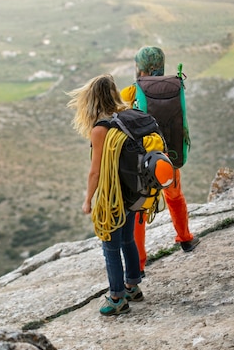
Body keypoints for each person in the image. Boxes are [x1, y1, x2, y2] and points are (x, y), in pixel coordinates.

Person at [67, 74, 144, 316]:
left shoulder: (101, 128)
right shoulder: (128, 116)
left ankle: (117, 298)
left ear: (93, 99)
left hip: (115, 195)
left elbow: (96, 172)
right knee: (127, 239)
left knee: (110, 247)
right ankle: (133, 286)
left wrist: (88, 199)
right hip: (135, 189)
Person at [120, 46, 200, 276]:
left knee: (139, 210)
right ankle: (185, 238)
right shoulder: (175, 86)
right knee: (175, 196)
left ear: (140, 67)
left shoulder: (132, 91)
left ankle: (139, 264)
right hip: (170, 155)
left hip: (144, 160)